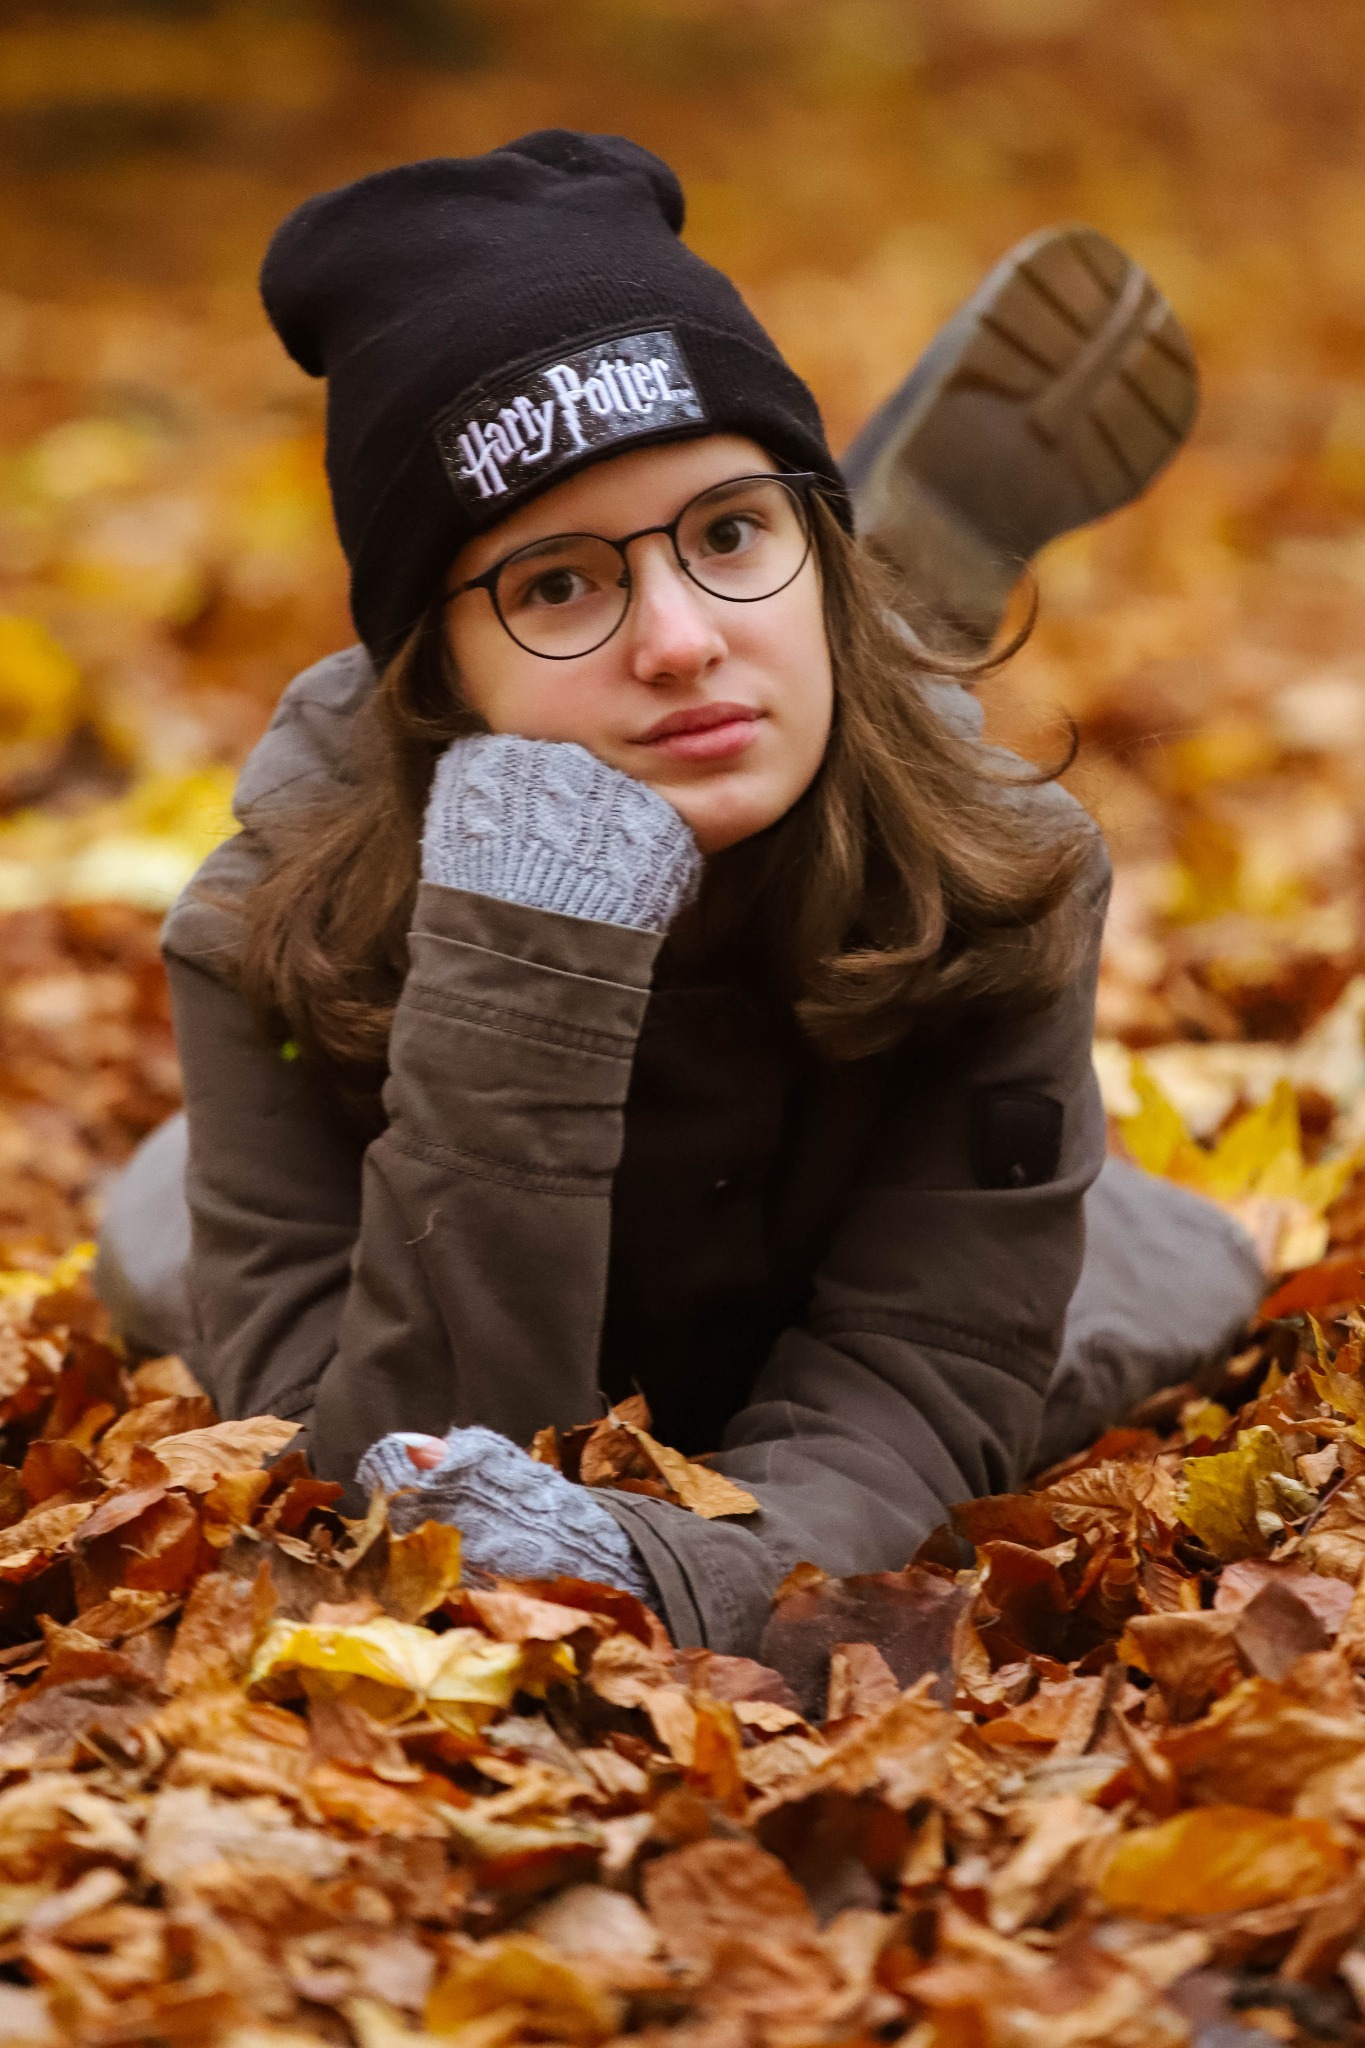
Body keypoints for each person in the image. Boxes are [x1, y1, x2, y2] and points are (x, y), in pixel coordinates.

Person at [96, 132, 1263, 1652]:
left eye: (730, 534)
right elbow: (385, 1484)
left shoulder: (1005, 877)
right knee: (158, 1241)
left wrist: (681, 1579)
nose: (677, 639)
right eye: (557, 582)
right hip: (377, 1203)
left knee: (1164, 1291)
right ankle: (836, 613)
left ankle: (857, 644)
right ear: (437, 672)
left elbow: (921, 1372)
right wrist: (526, 953)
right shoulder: (253, 937)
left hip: (880, 1249)